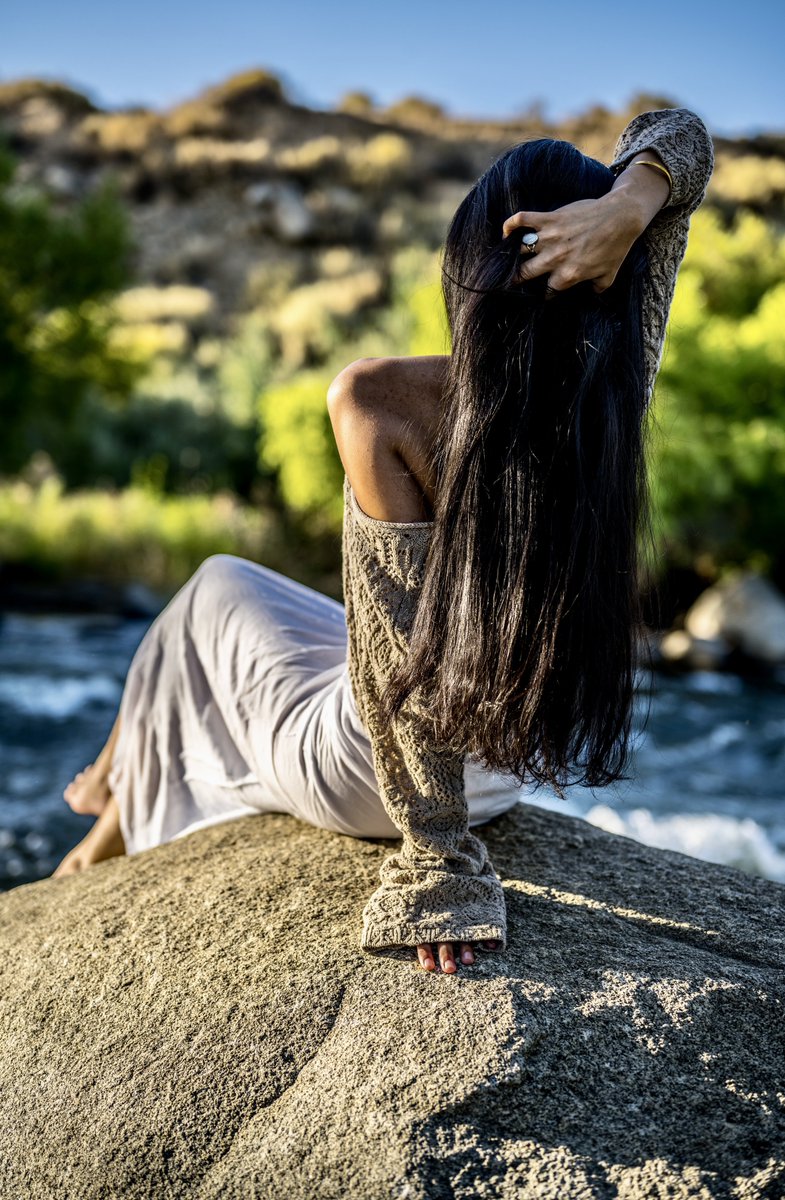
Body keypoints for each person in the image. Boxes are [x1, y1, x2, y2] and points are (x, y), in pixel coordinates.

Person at [54, 106, 714, 975]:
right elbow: (683, 138)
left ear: (474, 262)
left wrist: (439, 863)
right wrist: (629, 209)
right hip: (511, 766)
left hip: (384, 776)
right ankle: (112, 795)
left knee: (212, 588)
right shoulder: (611, 398)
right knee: (237, 601)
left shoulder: (381, 401)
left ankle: (105, 814)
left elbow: (391, 657)